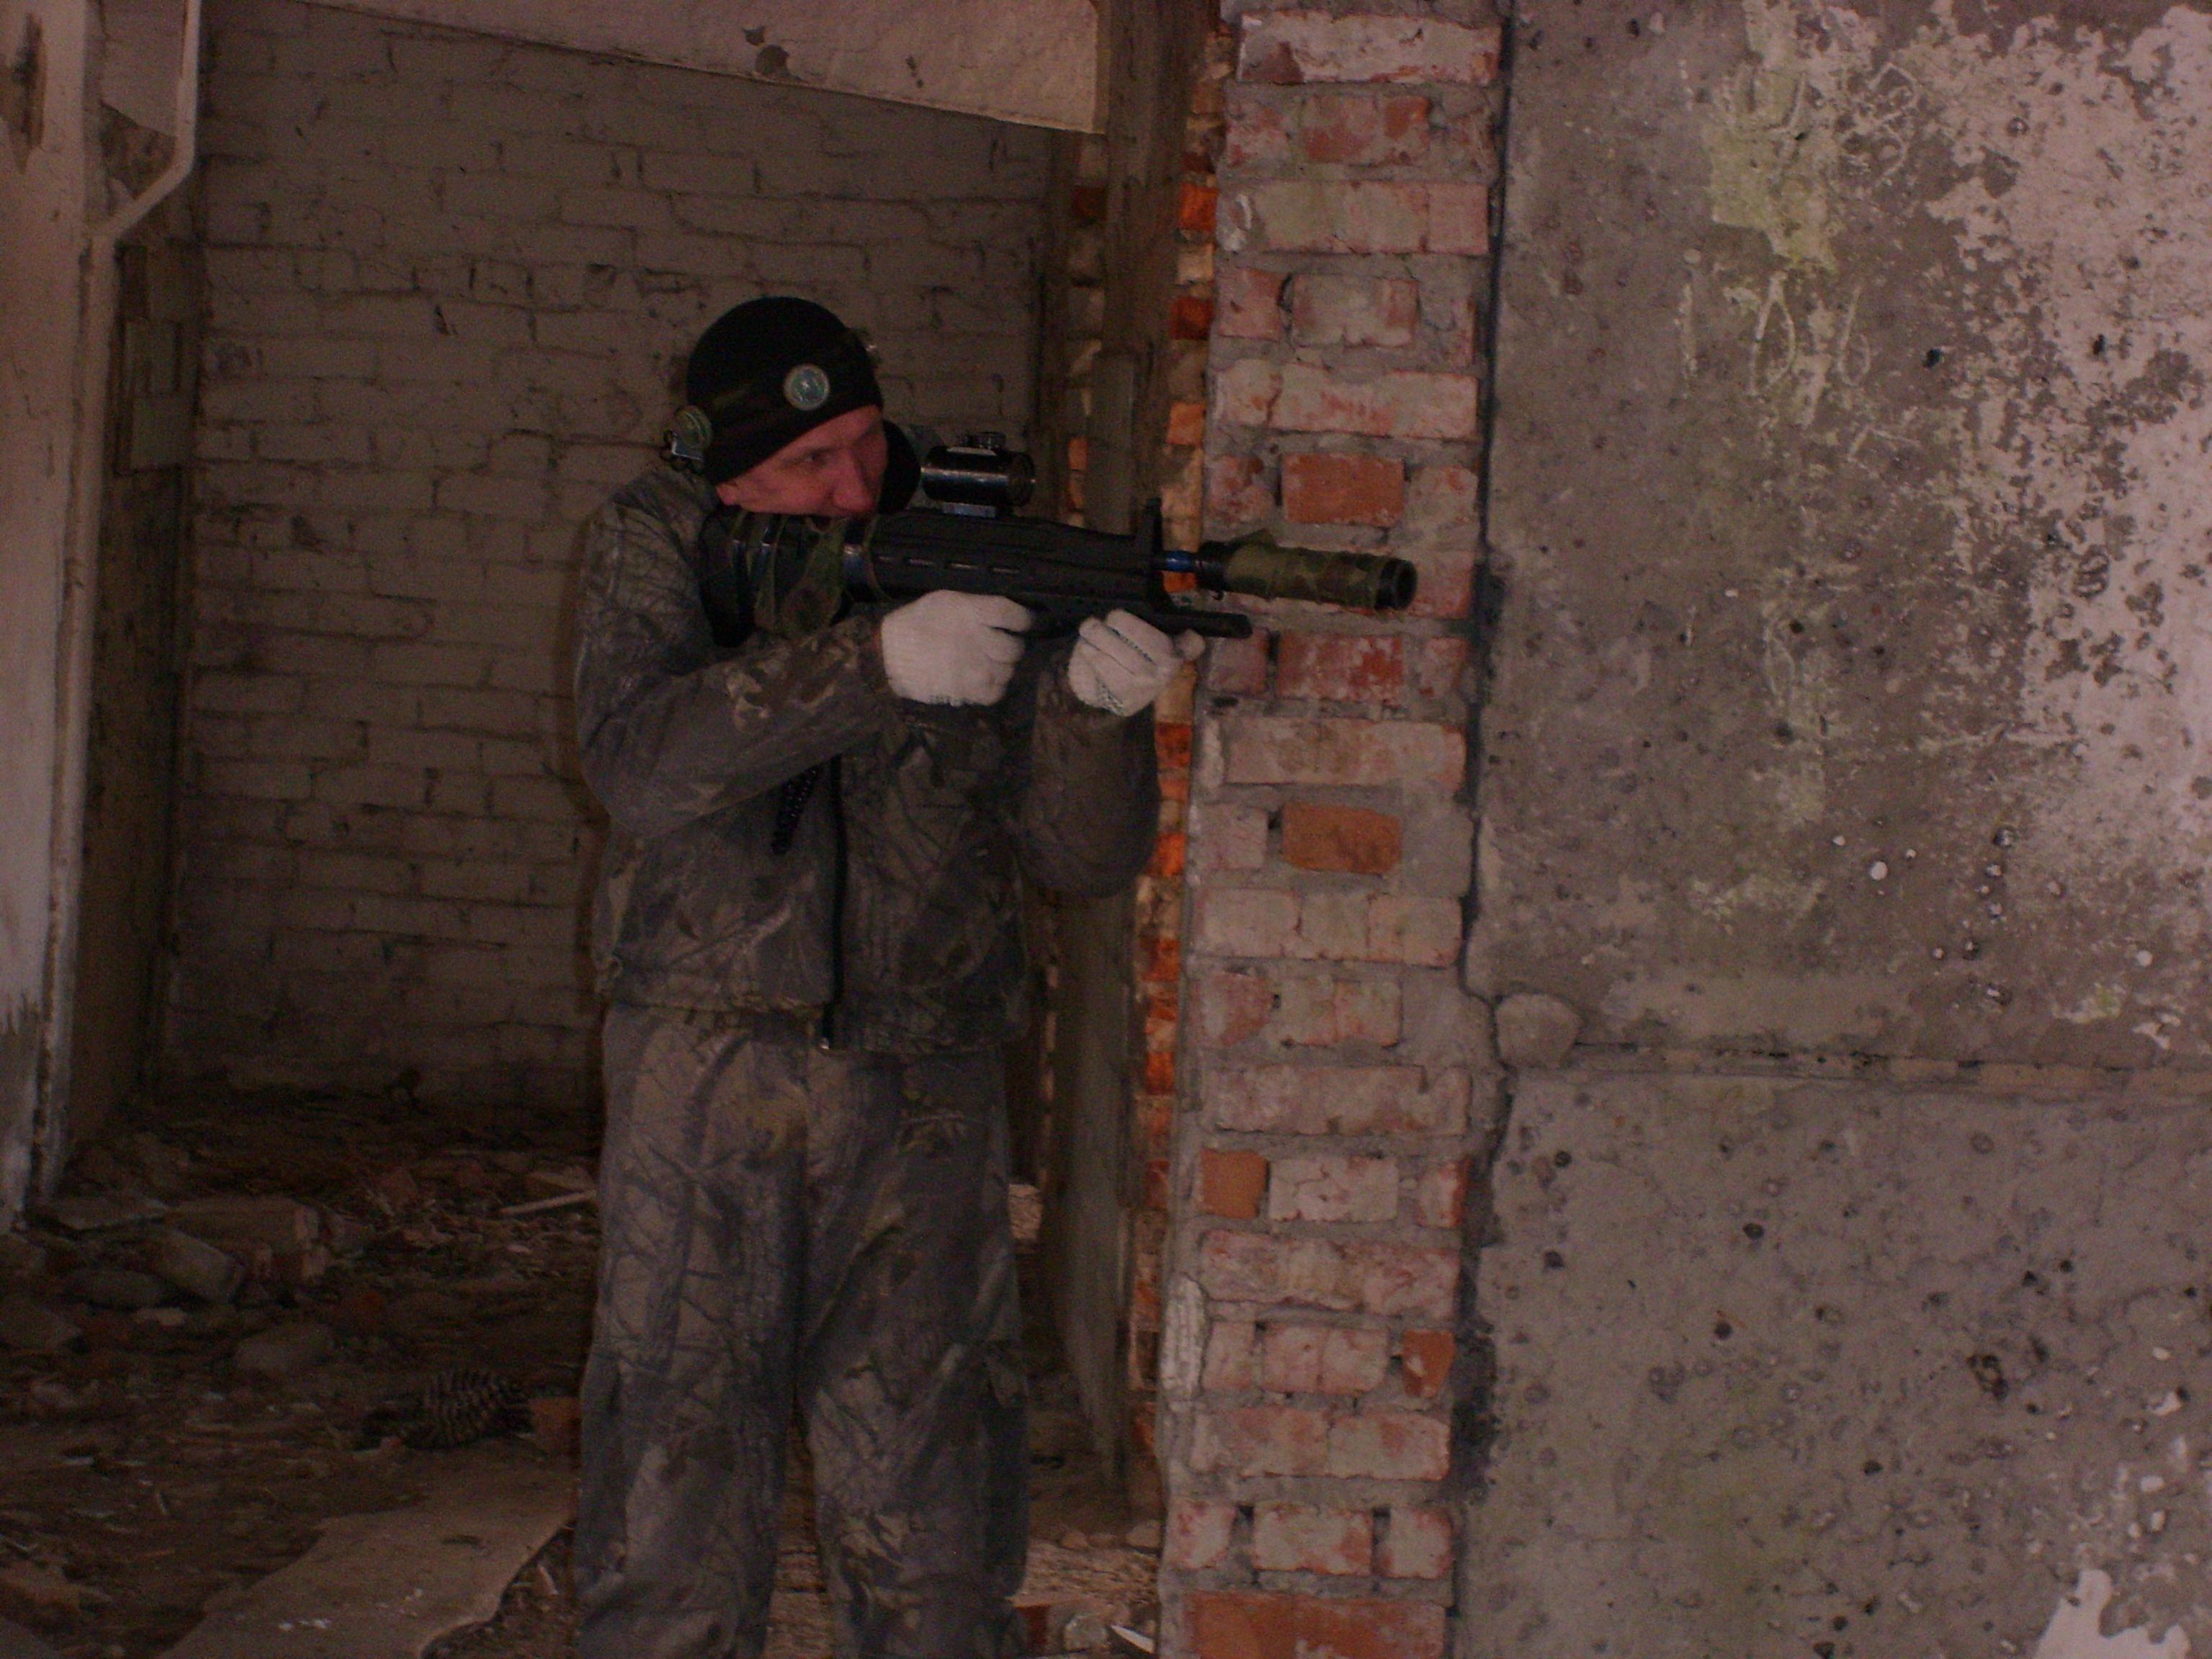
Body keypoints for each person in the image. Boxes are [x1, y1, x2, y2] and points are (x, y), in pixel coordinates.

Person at [570, 295, 1199, 1659]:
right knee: (672, 1479)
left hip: (925, 1080)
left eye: (864, 439)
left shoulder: (962, 540)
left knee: (935, 1514)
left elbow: (1083, 858)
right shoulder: (654, 538)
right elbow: (639, 766)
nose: (854, 485)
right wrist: (876, 664)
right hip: (702, 1062)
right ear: (725, 470)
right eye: (808, 463)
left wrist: (1094, 716)